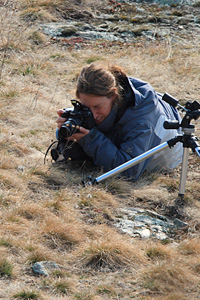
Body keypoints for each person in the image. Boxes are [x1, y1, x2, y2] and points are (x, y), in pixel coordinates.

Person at [53, 63, 183, 181]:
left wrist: (89, 139)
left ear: (114, 95)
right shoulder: (103, 99)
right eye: (86, 107)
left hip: (168, 146)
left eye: (97, 107)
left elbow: (129, 172)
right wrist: (70, 128)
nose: (93, 114)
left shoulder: (142, 120)